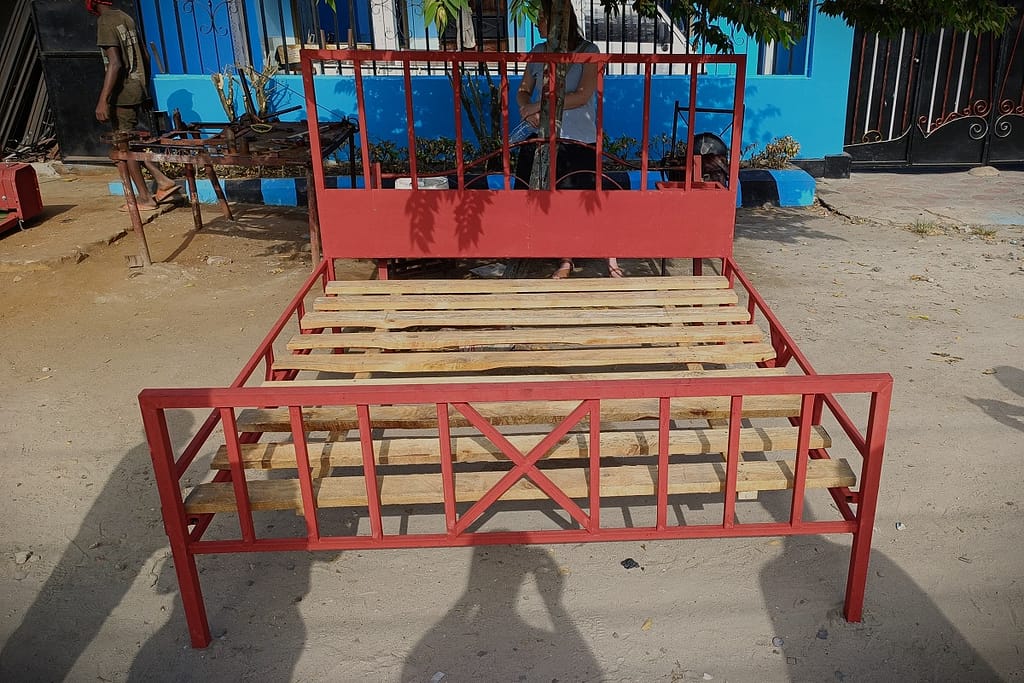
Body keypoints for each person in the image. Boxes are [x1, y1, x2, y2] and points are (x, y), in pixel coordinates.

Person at [515, 0, 622, 278]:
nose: (537, 23)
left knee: (578, 198)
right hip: (543, 136)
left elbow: (582, 95)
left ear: (559, 22)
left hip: (578, 138)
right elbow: (524, 90)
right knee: (530, 192)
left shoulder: (588, 52)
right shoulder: (538, 52)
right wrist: (526, 109)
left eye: (542, 18)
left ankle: (586, 258)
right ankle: (531, 248)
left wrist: (538, 106)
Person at [89, 0, 179, 212]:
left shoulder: (105, 21)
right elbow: (145, 55)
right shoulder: (126, 17)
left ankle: (146, 198)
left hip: (123, 94)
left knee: (123, 147)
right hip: (137, 88)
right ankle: (162, 180)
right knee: (129, 143)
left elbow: (116, 63)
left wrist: (103, 99)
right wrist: (145, 88)